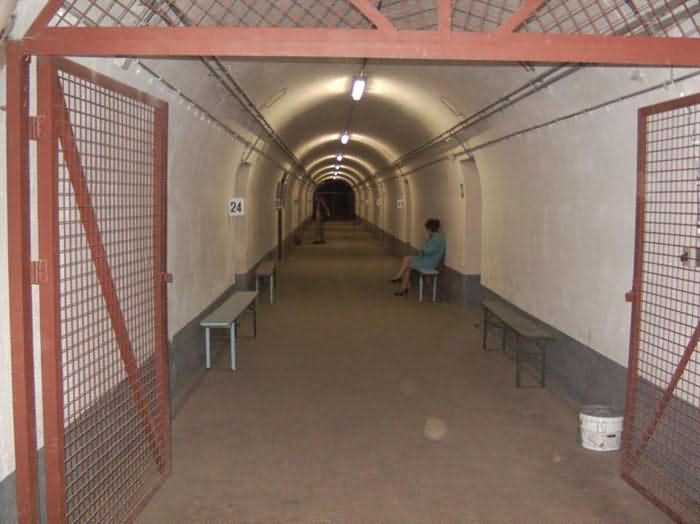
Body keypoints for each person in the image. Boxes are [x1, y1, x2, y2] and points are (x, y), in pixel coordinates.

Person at [391, 218, 446, 296]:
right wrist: (424, 246)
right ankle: (403, 284)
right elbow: (425, 250)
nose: (426, 230)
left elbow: (427, 251)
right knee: (407, 259)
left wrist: (426, 241)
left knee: (407, 264)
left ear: (430, 228)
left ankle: (401, 281)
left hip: (429, 262)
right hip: (427, 259)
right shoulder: (437, 237)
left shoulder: (436, 239)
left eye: (427, 229)